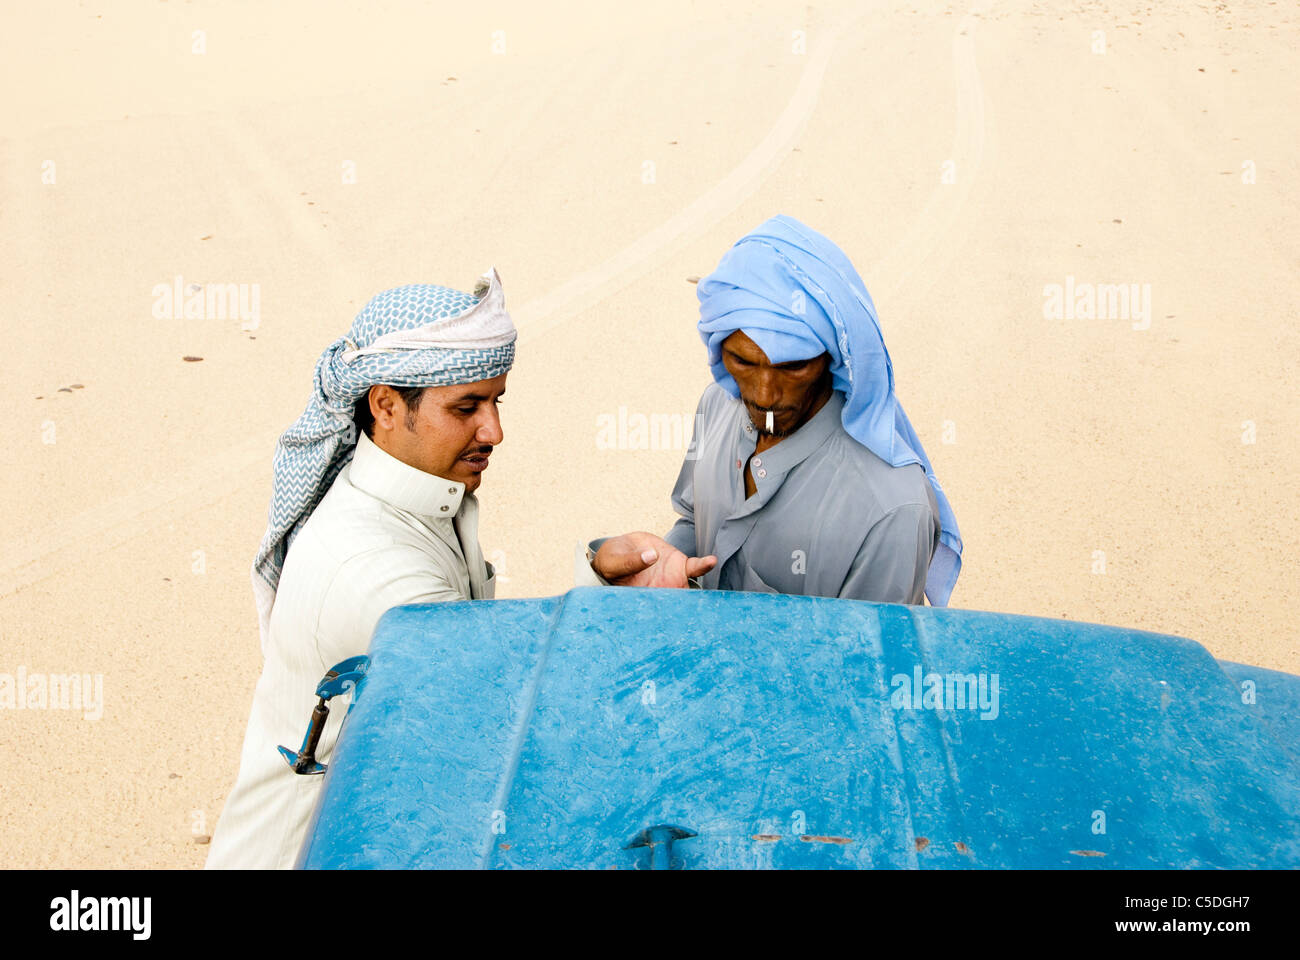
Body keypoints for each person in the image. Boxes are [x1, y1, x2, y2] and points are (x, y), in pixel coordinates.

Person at [206, 269, 515, 869]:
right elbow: (497, 703)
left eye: (496, 400)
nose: (494, 430)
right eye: (466, 407)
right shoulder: (377, 573)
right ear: (385, 405)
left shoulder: (420, 497)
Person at [578, 216, 962, 606]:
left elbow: (861, 662)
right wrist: (655, 565)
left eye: (793, 366)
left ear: (832, 358)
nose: (764, 394)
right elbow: (697, 525)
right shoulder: (718, 405)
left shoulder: (892, 512)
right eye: (743, 362)